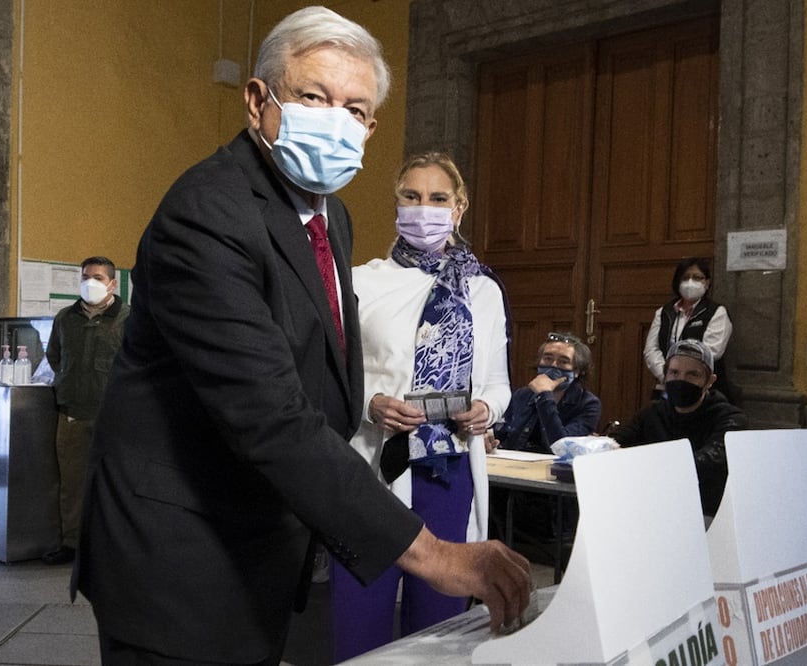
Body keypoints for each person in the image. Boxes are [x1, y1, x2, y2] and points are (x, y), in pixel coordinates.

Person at [71, 8, 531, 665]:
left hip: (262, 533)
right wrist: (429, 552)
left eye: (355, 108)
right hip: (179, 551)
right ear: (258, 100)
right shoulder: (206, 214)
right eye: (313, 97)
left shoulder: (328, 215)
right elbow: (270, 415)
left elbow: (320, 375)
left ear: (371, 127)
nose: (335, 120)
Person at [334, 152, 512, 660]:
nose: (423, 208)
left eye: (437, 198)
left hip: (447, 468)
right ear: (396, 204)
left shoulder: (483, 291)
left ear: (460, 208)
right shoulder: (361, 283)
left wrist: (487, 410)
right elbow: (330, 375)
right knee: (359, 619)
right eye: (411, 197)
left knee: (437, 628)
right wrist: (371, 403)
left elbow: (498, 383)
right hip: (372, 468)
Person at [40, 257, 129, 566]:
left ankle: (114, 547)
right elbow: (54, 357)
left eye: (99, 277)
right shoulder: (65, 318)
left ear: (113, 284)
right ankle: (72, 543)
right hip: (72, 412)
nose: (92, 282)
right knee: (72, 483)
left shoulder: (130, 319)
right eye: (87, 276)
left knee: (116, 484)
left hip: (114, 417)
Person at [609, 339, 747, 518]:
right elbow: (617, 441)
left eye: (692, 375)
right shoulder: (652, 412)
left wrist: (651, 466)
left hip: (706, 513)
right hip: (653, 507)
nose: (681, 380)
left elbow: (710, 460)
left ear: (710, 381)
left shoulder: (730, 419)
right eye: (674, 372)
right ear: (664, 376)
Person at [491, 331, 601, 454]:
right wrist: (490, 439)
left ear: (577, 371)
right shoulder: (522, 395)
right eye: (548, 358)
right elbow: (501, 434)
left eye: (563, 361)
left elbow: (562, 448)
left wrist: (545, 396)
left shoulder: (589, 404)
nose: (553, 366)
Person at [643, 257, 736, 402]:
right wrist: (668, 375)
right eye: (686, 277)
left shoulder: (716, 312)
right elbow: (651, 349)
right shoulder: (664, 312)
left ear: (707, 283)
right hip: (667, 387)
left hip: (703, 390)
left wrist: (682, 374)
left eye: (697, 278)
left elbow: (712, 351)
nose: (691, 282)